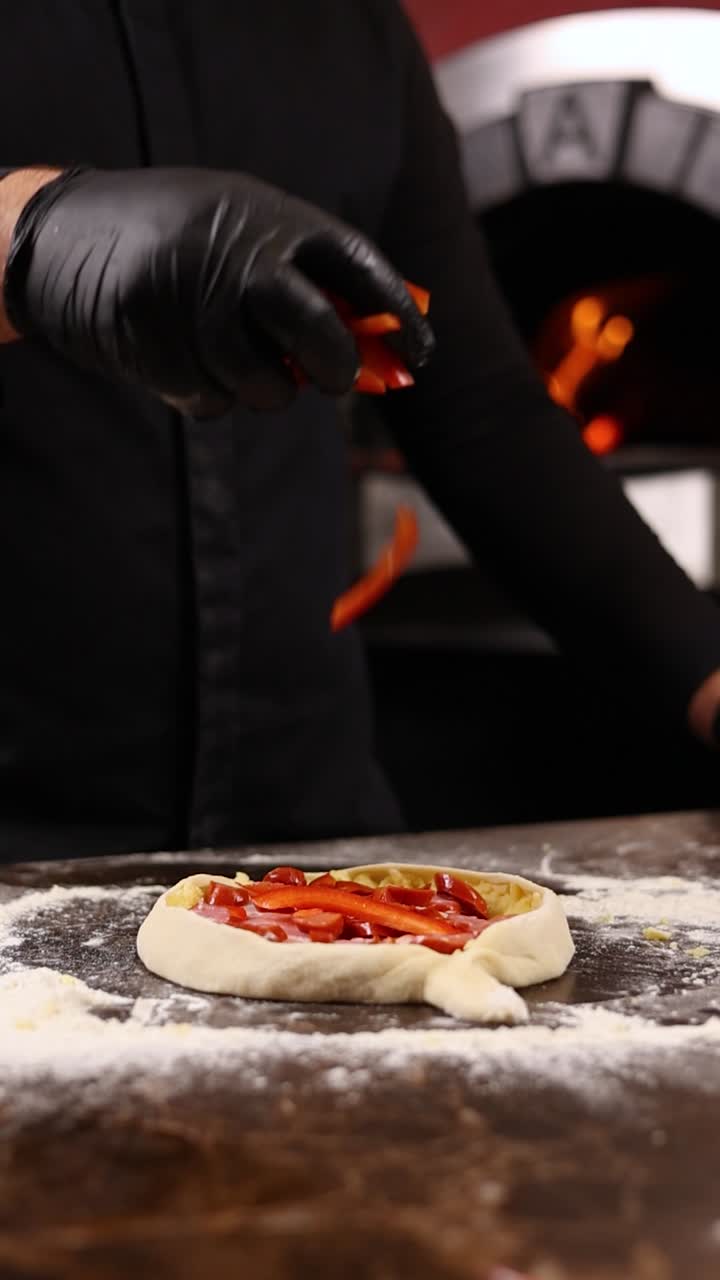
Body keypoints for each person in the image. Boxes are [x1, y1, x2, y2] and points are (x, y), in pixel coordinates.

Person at [0, 0, 718, 862]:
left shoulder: (352, 26)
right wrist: (33, 238)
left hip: (312, 835)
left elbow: (482, 410)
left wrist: (709, 676)